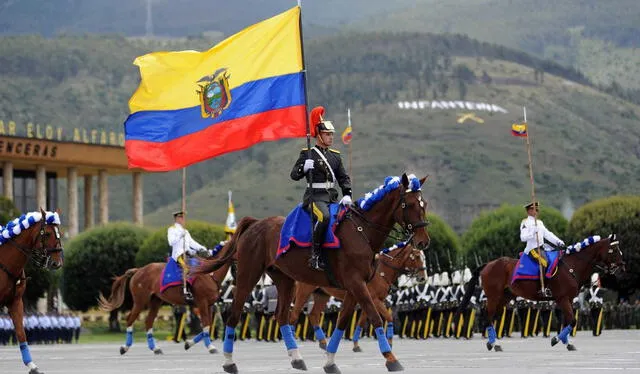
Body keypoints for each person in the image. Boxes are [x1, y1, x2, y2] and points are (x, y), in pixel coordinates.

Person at [290, 106, 352, 270]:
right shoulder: (307, 154)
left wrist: (347, 194)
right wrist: (304, 168)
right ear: (318, 135)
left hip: (332, 197)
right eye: (327, 134)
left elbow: (343, 177)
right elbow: (294, 175)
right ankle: (315, 255)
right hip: (314, 197)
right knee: (324, 217)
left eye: (331, 134)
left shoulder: (335, 156)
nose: (331, 137)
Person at [519, 201, 565, 297]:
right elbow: (523, 238)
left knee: (555, 261)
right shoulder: (525, 222)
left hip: (542, 248)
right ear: (529, 211)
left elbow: (548, 234)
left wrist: (558, 241)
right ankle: (542, 288)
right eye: (535, 209)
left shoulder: (539, 222)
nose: (537, 211)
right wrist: (532, 232)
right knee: (544, 263)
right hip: (532, 249)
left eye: (537, 209)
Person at [167, 211, 208, 302]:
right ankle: (185, 291)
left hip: (189, 253)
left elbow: (192, 243)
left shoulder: (185, 231)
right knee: (186, 269)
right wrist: (180, 236)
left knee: (201, 266)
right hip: (179, 254)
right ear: (177, 218)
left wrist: (202, 248)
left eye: (183, 218)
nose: (183, 219)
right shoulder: (172, 229)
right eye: (181, 218)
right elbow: (171, 242)